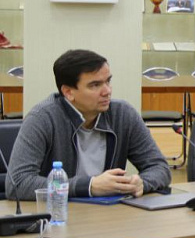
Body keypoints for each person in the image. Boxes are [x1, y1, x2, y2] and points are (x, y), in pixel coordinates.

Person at [5, 49, 170, 201]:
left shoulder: (123, 115)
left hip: (110, 214)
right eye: (95, 85)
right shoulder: (42, 118)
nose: (107, 91)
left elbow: (159, 167)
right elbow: (17, 183)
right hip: (59, 214)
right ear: (68, 92)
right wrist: (88, 186)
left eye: (108, 81)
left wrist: (142, 183)